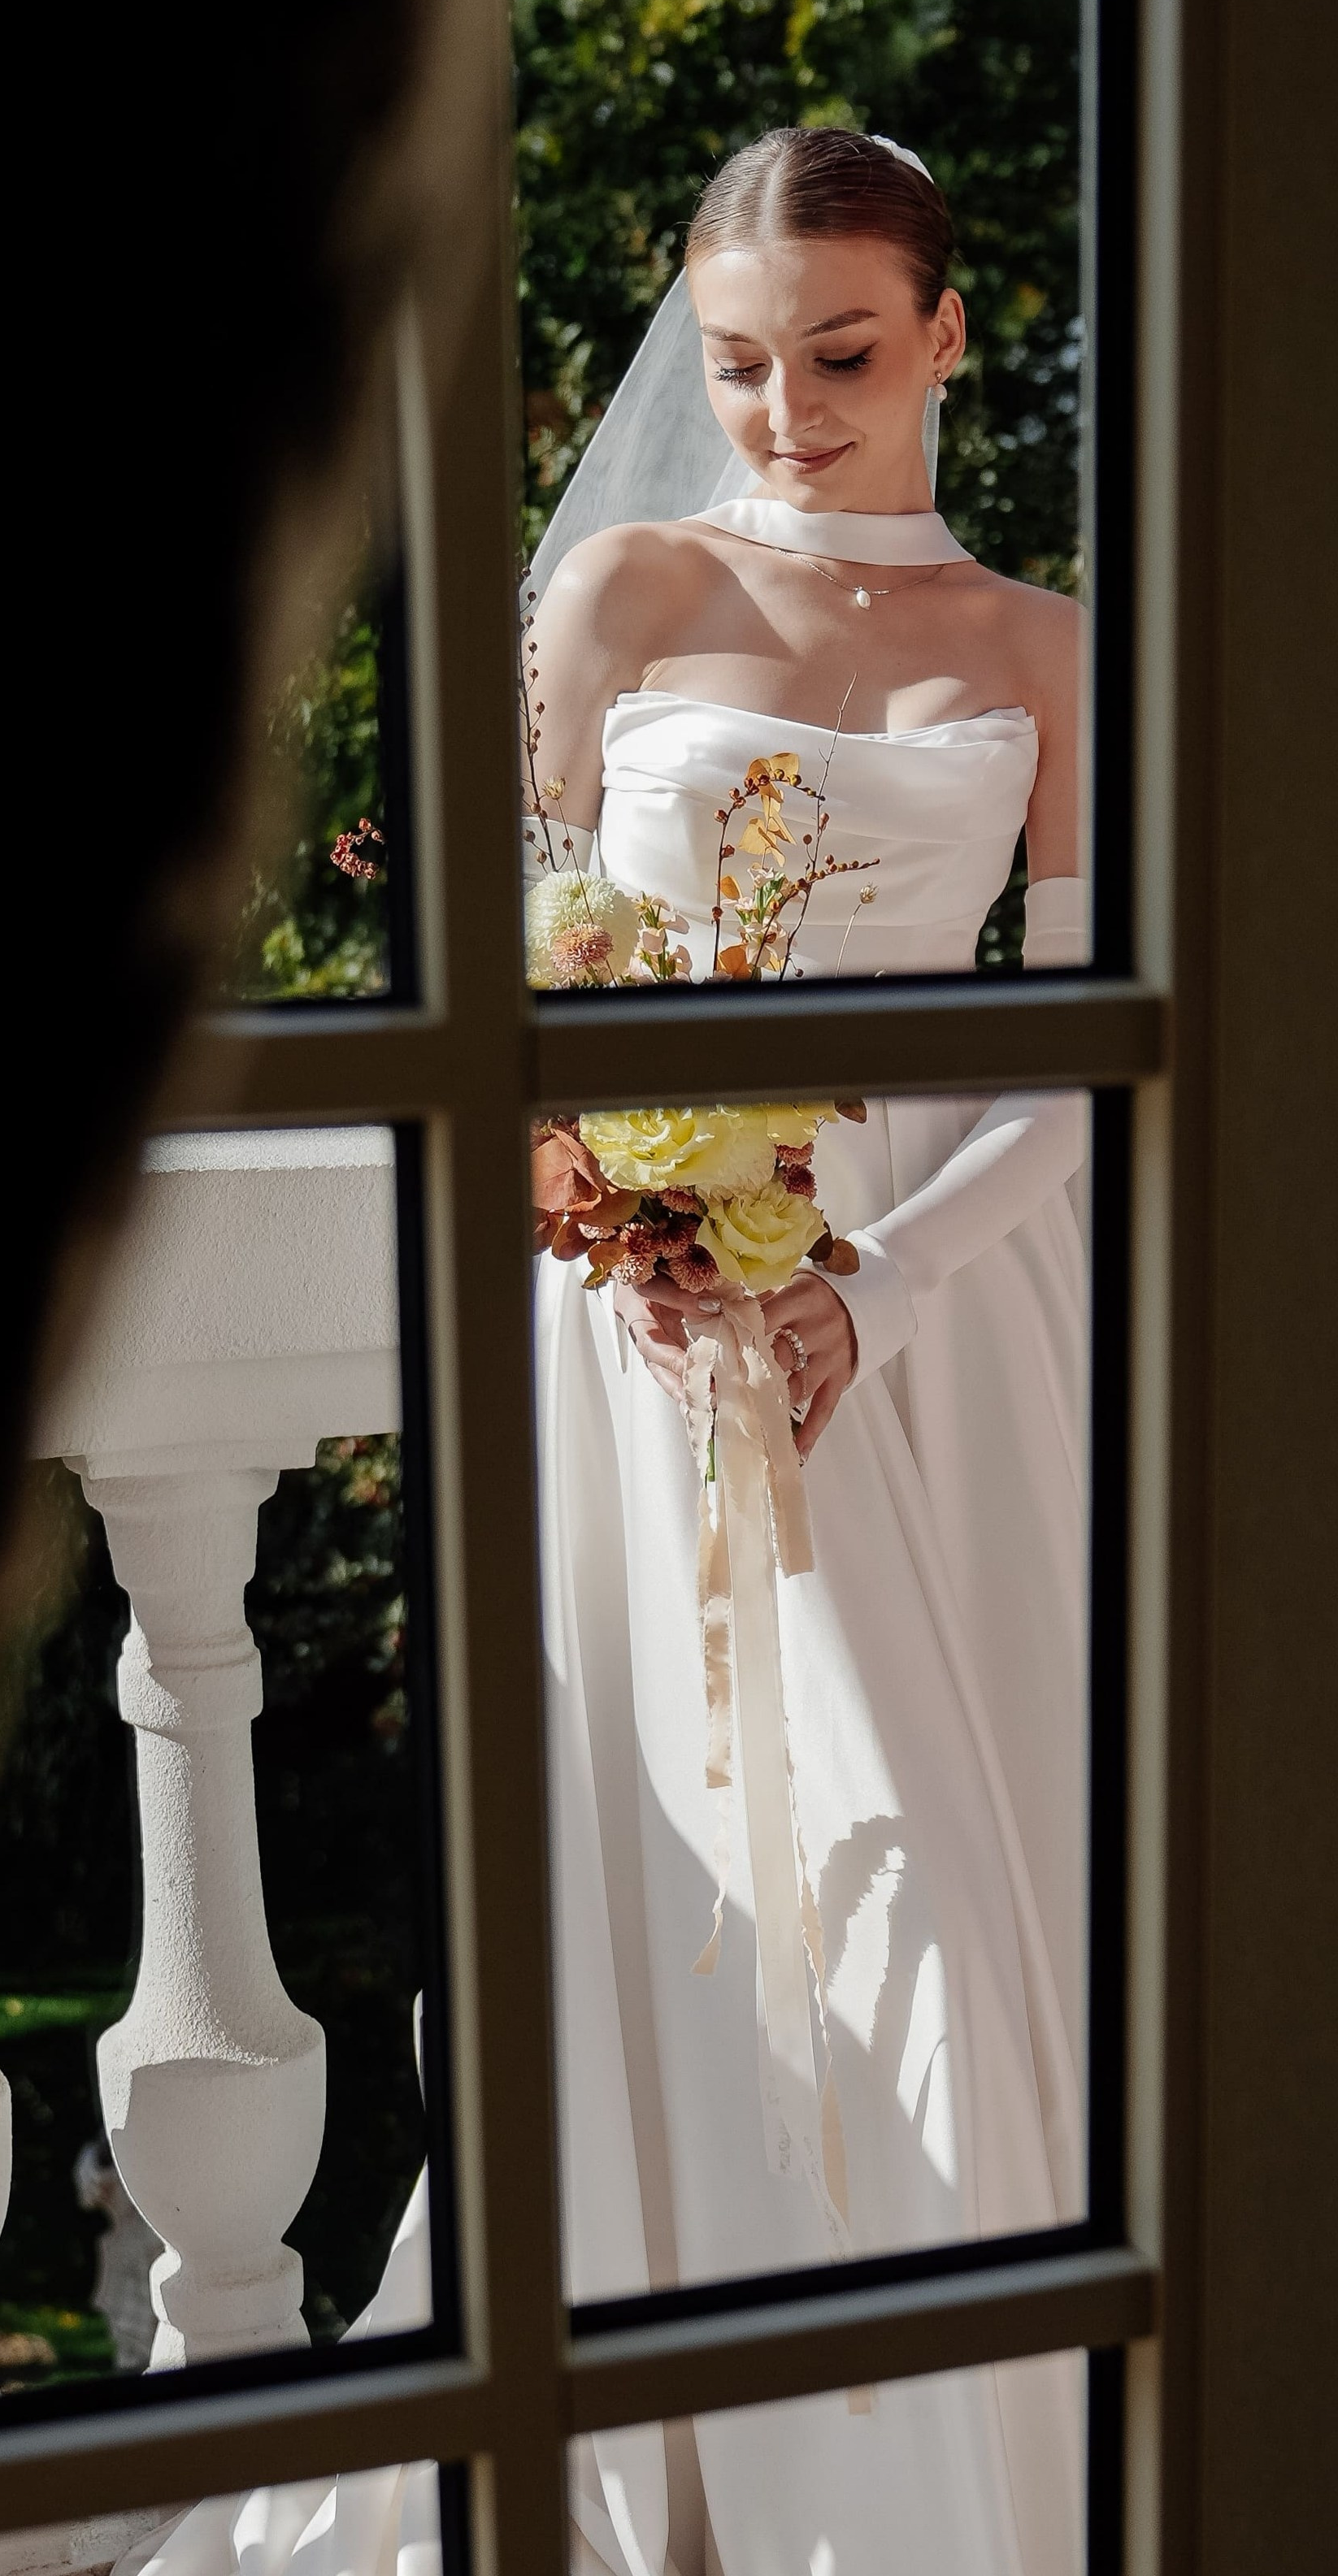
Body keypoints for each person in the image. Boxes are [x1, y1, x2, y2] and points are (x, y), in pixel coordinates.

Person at [530, 127, 1091, 2576]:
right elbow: (505, 981)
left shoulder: (1057, 649)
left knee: (956, 1919)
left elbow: (1087, 1051)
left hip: (934, 1320)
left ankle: (984, 2485)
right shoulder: (620, 591)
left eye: (844, 357)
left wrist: (871, 1287)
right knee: (707, 1897)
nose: (784, 412)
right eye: (742, 363)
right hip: (653, 1328)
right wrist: (615, 1210)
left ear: (954, 333)